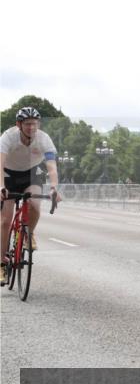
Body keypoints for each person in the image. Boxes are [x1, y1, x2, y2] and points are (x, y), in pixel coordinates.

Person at [1, 107, 61, 282]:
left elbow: (51, 167)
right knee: (5, 221)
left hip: (31, 174)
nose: (31, 127)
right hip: (8, 175)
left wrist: (54, 187)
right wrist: (1, 187)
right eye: (27, 124)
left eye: (34, 124)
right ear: (18, 124)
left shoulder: (44, 139)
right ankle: (1, 263)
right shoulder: (8, 137)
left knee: (34, 204)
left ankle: (29, 233)